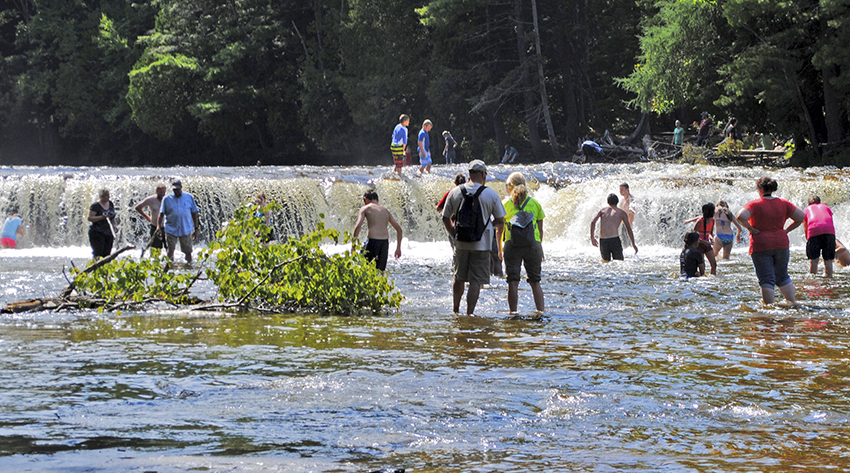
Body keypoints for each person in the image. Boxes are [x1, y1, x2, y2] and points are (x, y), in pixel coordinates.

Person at [441, 160, 506, 314]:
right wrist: (489, 224)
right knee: (476, 281)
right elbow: (500, 220)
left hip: (461, 243)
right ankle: (470, 313)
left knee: (459, 278)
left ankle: (456, 309)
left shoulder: (455, 192)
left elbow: (444, 217)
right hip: (482, 245)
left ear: (469, 174)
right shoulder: (490, 194)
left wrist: (454, 234)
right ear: (483, 174)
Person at [735, 177, 805, 305]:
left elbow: (740, 216)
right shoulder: (784, 203)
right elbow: (801, 217)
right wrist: (786, 230)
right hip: (781, 242)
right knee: (783, 275)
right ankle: (792, 303)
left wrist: (750, 228)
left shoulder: (755, 204)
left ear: (760, 189)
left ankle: (769, 309)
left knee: (766, 278)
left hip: (762, 243)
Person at [497, 172, 545, 313]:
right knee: (535, 282)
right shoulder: (535, 203)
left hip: (512, 244)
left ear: (510, 187)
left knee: (513, 282)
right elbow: (540, 229)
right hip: (533, 244)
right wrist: (539, 247)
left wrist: (500, 248)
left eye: (507, 185)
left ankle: (513, 313)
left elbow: (499, 229)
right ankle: (540, 312)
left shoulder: (505, 203)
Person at [352, 189, 403, 271]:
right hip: (384, 244)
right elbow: (399, 230)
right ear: (377, 200)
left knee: (364, 269)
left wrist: (353, 246)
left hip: (372, 242)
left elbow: (358, 226)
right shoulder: (385, 211)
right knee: (380, 273)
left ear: (366, 199)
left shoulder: (365, 208)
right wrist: (398, 248)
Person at [157, 180, 200, 264]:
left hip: (186, 228)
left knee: (188, 251)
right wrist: (158, 228)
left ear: (181, 188)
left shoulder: (189, 197)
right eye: (174, 190)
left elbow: (194, 213)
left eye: (177, 189)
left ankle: (189, 267)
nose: (176, 191)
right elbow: (161, 214)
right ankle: (169, 268)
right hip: (171, 229)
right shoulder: (167, 199)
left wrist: (196, 228)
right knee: (170, 251)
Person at [590, 193, 638, 262]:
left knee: (605, 262)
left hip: (603, 241)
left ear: (607, 202)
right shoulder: (621, 213)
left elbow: (593, 222)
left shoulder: (602, 210)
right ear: (617, 202)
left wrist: (592, 237)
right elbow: (629, 229)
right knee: (619, 262)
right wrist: (633, 244)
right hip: (614, 240)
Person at [803, 195, 836, 277]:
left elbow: (805, 227)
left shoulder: (807, 209)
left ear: (809, 204)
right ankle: (829, 277)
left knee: (813, 261)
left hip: (814, 232)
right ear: (819, 202)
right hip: (829, 232)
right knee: (828, 260)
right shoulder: (826, 207)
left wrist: (808, 238)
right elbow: (830, 221)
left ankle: (813, 279)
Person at [683, 203, 718, 275]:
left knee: (714, 264)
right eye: (713, 211)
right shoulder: (699, 221)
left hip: (707, 244)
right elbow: (692, 236)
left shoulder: (712, 220)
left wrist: (711, 239)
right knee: (702, 267)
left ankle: (713, 279)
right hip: (698, 245)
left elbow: (710, 233)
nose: (714, 212)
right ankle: (702, 280)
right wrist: (704, 242)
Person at [134, 183, 167, 250]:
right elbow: (138, 207)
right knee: (155, 250)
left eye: (164, 192)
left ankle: (170, 260)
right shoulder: (151, 200)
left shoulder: (167, 199)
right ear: (156, 191)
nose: (162, 194)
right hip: (155, 227)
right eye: (161, 192)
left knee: (169, 249)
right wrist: (148, 217)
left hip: (166, 227)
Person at [87, 188, 116, 258]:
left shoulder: (110, 204)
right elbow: (90, 218)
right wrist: (101, 217)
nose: (106, 198)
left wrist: (115, 226)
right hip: (97, 233)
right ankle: (96, 268)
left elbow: (113, 217)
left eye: (108, 196)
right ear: (100, 196)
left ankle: (105, 268)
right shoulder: (95, 206)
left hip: (109, 233)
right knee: (98, 254)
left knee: (107, 255)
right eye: (104, 196)